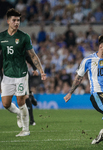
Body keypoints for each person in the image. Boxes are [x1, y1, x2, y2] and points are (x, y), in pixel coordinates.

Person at [0, 8, 46, 137]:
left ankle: (26, 130)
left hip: (21, 74)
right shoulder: (1, 37)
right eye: (14, 20)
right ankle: (19, 114)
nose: (16, 22)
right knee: (6, 104)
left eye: (18, 20)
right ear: (8, 21)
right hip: (7, 75)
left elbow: (32, 55)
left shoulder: (24, 36)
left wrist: (41, 70)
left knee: (21, 101)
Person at [0, 51, 38, 126]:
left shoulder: (20, 46)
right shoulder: (4, 50)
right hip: (9, 78)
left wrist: (34, 68)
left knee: (25, 97)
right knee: (8, 102)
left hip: (22, 75)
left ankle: (31, 120)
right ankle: (30, 95)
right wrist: (2, 82)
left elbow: (29, 58)